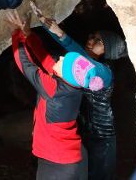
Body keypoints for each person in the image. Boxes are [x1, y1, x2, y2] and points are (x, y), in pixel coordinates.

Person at [32, 1, 127, 180]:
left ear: (109, 50)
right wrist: (46, 29)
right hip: (83, 132)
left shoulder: (104, 72)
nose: (91, 41)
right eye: (93, 36)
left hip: (101, 139)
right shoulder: (82, 66)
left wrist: (59, 33)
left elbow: (82, 59)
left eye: (99, 41)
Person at [7, 10, 88, 180]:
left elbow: (25, 64)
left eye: (62, 61)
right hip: (74, 157)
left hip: (57, 163)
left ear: (66, 73)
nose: (59, 59)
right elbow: (44, 60)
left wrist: (16, 34)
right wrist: (28, 34)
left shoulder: (54, 89)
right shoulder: (73, 84)